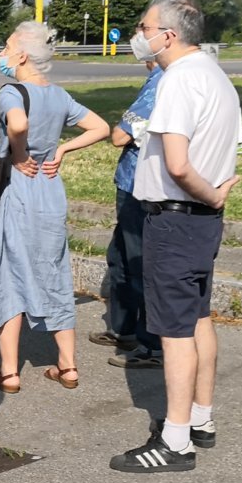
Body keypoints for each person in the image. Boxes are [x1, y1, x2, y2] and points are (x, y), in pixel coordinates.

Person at [109, 0, 241, 474]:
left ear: (168, 35)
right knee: (197, 317)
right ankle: (200, 418)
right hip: (198, 223)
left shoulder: (179, 80)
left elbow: (179, 164)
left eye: (144, 28)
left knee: (174, 331)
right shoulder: (214, 74)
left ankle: (175, 441)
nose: (138, 36)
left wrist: (211, 195)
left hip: (177, 217)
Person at [0, 22, 111, 394]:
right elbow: (100, 127)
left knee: (7, 275)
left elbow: (17, 122)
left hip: (16, 191)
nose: (2, 53)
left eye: (7, 47)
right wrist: (62, 149)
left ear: (21, 55)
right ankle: (67, 364)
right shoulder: (58, 95)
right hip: (49, 191)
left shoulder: (12, 92)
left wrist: (19, 153)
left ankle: (7, 371)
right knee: (53, 272)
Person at [94, 60, 164, 369]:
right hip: (131, 181)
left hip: (142, 186)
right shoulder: (159, 77)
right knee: (120, 256)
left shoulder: (162, 80)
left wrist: (126, 127)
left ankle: (151, 344)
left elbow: (120, 135)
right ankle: (123, 329)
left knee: (138, 262)